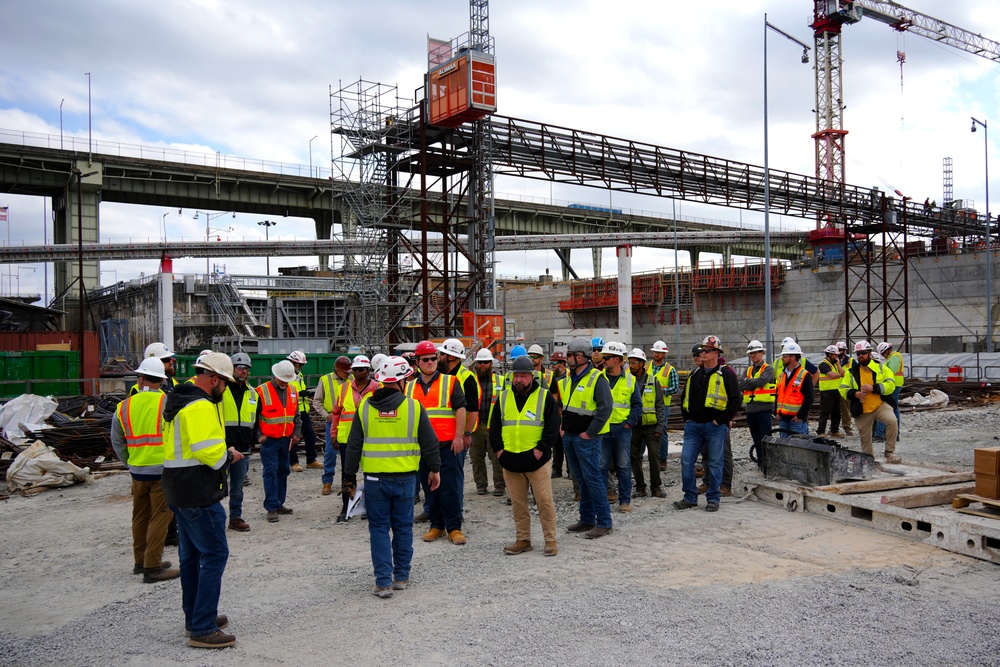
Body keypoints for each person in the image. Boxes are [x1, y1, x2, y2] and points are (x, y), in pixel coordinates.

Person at [161, 352, 243, 649]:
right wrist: (228, 455)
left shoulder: (178, 399)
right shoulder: (200, 405)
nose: (226, 389)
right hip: (197, 489)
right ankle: (203, 627)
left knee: (192, 556)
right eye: (225, 383)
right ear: (215, 379)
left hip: (178, 486)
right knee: (214, 554)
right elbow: (209, 450)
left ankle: (194, 618)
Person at [343, 356, 441, 598]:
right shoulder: (414, 407)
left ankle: (383, 582)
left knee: (378, 529)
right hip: (406, 480)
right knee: (403, 527)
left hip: (375, 481)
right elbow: (430, 444)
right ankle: (401, 577)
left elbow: (353, 446)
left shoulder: (364, 407)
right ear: (403, 380)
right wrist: (435, 470)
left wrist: (349, 477)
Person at [111, 357, 179, 583]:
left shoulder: (124, 406)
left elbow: (117, 442)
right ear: (162, 379)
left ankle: (140, 561)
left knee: (140, 517)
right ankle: (153, 566)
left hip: (137, 471)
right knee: (160, 517)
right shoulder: (168, 403)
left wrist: (130, 462)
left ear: (141, 379)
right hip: (163, 471)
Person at [490, 355, 560, 556]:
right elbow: (495, 427)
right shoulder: (503, 397)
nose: (519, 379)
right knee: (518, 504)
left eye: (523, 376)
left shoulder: (544, 396)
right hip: (511, 460)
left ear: (532, 376)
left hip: (537, 461)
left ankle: (550, 540)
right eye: (516, 376)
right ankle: (523, 539)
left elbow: (553, 427)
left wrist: (541, 449)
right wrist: (499, 450)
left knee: (544, 501)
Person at [405, 340, 468, 545]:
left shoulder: (450, 382)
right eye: (426, 359)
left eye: (434, 358)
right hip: (422, 447)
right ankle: (436, 526)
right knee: (429, 486)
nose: (431, 362)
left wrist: (459, 437)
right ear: (418, 361)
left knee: (450, 487)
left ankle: (454, 527)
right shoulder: (409, 387)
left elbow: (460, 409)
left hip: (448, 445)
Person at [554, 337, 613, 539]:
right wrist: (563, 426)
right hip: (570, 437)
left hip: (587, 439)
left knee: (593, 479)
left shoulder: (597, 379)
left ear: (580, 357)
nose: (566, 358)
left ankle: (604, 522)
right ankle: (587, 519)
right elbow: (568, 406)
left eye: (569, 355)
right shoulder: (570, 378)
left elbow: (605, 408)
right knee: (582, 480)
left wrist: (590, 433)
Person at [674, 335, 739, 513]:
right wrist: (686, 418)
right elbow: (685, 397)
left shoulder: (726, 374)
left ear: (716, 353)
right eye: (702, 350)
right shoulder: (695, 374)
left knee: (715, 463)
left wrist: (720, 420)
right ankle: (690, 497)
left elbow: (735, 401)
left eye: (707, 350)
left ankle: (713, 498)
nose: (702, 353)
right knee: (687, 461)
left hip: (715, 427)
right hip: (694, 426)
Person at [330, 355, 379, 521]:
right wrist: (333, 433)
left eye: (362, 369)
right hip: (348, 439)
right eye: (356, 370)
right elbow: (336, 413)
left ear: (368, 371)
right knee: (347, 473)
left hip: (370, 438)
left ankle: (368, 507)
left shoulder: (377, 388)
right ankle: (346, 508)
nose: (358, 372)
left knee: (370, 473)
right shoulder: (343, 388)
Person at [256, 360, 301, 523]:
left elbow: (296, 415)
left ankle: (279, 503)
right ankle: (271, 507)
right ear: (275, 376)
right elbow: (253, 417)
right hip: (269, 440)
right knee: (270, 471)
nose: (285, 383)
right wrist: (259, 435)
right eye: (283, 380)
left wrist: (296, 432)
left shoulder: (293, 390)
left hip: (285, 439)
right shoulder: (261, 391)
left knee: (283, 470)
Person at [437, 338, 482, 501]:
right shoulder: (440, 376)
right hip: (440, 435)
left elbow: (472, 409)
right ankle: (433, 510)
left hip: (457, 437)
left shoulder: (466, 377)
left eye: (442, 354)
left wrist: (466, 434)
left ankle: (456, 511)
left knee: (454, 477)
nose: (438, 357)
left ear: (451, 357)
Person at [840, 341, 900, 462]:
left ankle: (889, 452)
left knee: (892, 421)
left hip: (879, 405)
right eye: (858, 354)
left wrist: (874, 388)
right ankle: (869, 459)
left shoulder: (881, 368)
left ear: (870, 354)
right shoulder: (851, 372)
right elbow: (842, 389)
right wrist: (854, 393)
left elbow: (891, 385)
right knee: (865, 437)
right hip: (862, 410)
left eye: (863, 353)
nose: (860, 356)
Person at [599, 341, 640, 512]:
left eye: (607, 358)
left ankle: (625, 501)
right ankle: (605, 497)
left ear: (616, 359)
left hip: (622, 430)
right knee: (601, 466)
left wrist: (629, 423)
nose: (604, 361)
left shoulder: (630, 380)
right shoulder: (598, 378)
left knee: (623, 465)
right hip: (602, 429)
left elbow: (637, 405)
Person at [222, 352, 258, 532]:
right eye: (240, 367)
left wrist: (253, 440)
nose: (243, 371)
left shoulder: (253, 393)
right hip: (221, 447)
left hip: (243, 448)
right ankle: (213, 520)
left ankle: (235, 518)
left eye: (246, 369)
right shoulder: (220, 390)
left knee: (237, 487)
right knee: (216, 486)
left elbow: (255, 419)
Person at [627, 348, 666, 498]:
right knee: (634, 457)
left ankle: (656, 487)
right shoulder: (627, 381)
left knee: (654, 456)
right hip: (633, 426)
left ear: (642, 364)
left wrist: (660, 426)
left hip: (651, 426)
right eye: (630, 363)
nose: (631, 366)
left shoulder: (653, 381)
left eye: (634, 363)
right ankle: (640, 487)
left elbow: (659, 405)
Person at [312, 355, 352, 497]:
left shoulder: (352, 381)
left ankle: (347, 483)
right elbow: (317, 402)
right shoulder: (325, 380)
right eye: (345, 372)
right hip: (333, 421)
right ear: (337, 370)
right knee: (330, 452)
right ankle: (327, 482)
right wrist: (327, 415)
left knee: (350, 454)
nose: (348, 374)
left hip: (349, 422)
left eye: (349, 372)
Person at [470, 348, 505, 497]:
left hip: (493, 427)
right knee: (477, 458)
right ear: (476, 364)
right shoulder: (470, 381)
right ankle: (481, 485)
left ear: (491, 364)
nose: (483, 365)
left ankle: (499, 486)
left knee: (497, 458)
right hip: (475, 426)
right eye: (480, 363)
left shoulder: (500, 381)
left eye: (485, 362)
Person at [738, 340, 774, 469]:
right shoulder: (748, 370)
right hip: (751, 411)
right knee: (757, 440)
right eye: (751, 353)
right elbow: (740, 384)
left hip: (764, 410)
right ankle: (761, 463)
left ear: (762, 353)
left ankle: (769, 464)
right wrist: (751, 381)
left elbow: (762, 381)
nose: (752, 355)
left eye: (755, 353)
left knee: (766, 439)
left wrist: (748, 381)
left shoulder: (768, 369)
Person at [286, 351, 320, 473]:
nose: (301, 367)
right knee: (294, 437)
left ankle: (311, 460)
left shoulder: (298, 375)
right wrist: (299, 394)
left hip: (302, 410)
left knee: (310, 435)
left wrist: (306, 393)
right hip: (292, 411)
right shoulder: (286, 375)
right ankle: (293, 462)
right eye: (299, 364)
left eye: (302, 365)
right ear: (292, 362)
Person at [647, 341, 678, 472]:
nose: (656, 354)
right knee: (647, 430)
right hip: (647, 404)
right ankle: (652, 458)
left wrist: (661, 391)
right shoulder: (647, 367)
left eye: (658, 352)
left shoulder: (669, 370)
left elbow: (675, 388)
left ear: (664, 354)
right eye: (654, 352)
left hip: (663, 405)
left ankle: (662, 460)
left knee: (662, 431)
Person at [775, 341, 813, 436]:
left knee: (798, 447)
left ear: (793, 357)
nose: (782, 359)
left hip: (796, 420)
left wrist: (800, 416)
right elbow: (778, 394)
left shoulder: (804, 375)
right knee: (784, 447)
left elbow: (809, 398)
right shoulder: (782, 375)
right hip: (783, 419)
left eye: (785, 356)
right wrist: (776, 411)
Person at [874, 342, 904, 442]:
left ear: (887, 350)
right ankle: (895, 434)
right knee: (894, 409)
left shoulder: (894, 357)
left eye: (883, 354)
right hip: (895, 385)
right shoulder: (892, 357)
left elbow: (891, 371)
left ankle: (879, 434)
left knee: (884, 408)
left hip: (893, 386)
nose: (883, 356)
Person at [816, 345, 845, 437]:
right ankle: (821, 431)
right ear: (829, 354)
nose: (836, 356)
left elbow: (843, 374)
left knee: (836, 412)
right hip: (827, 392)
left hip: (836, 390)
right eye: (835, 355)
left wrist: (838, 364)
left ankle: (834, 431)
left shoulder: (835, 364)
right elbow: (832, 375)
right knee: (825, 412)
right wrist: (839, 374)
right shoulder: (823, 364)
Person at [548, 350, 569, 478]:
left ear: (562, 363)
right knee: (556, 444)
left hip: (567, 413)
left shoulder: (570, 377)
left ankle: (570, 470)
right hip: (555, 413)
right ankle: (557, 469)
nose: (552, 366)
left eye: (554, 363)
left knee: (567, 443)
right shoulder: (551, 378)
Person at [836, 342, 855, 436]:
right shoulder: (832, 361)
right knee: (835, 409)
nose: (838, 352)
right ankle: (834, 429)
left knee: (846, 409)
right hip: (835, 388)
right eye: (837, 350)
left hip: (846, 388)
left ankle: (847, 427)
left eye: (840, 350)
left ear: (844, 350)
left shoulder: (851, 361)